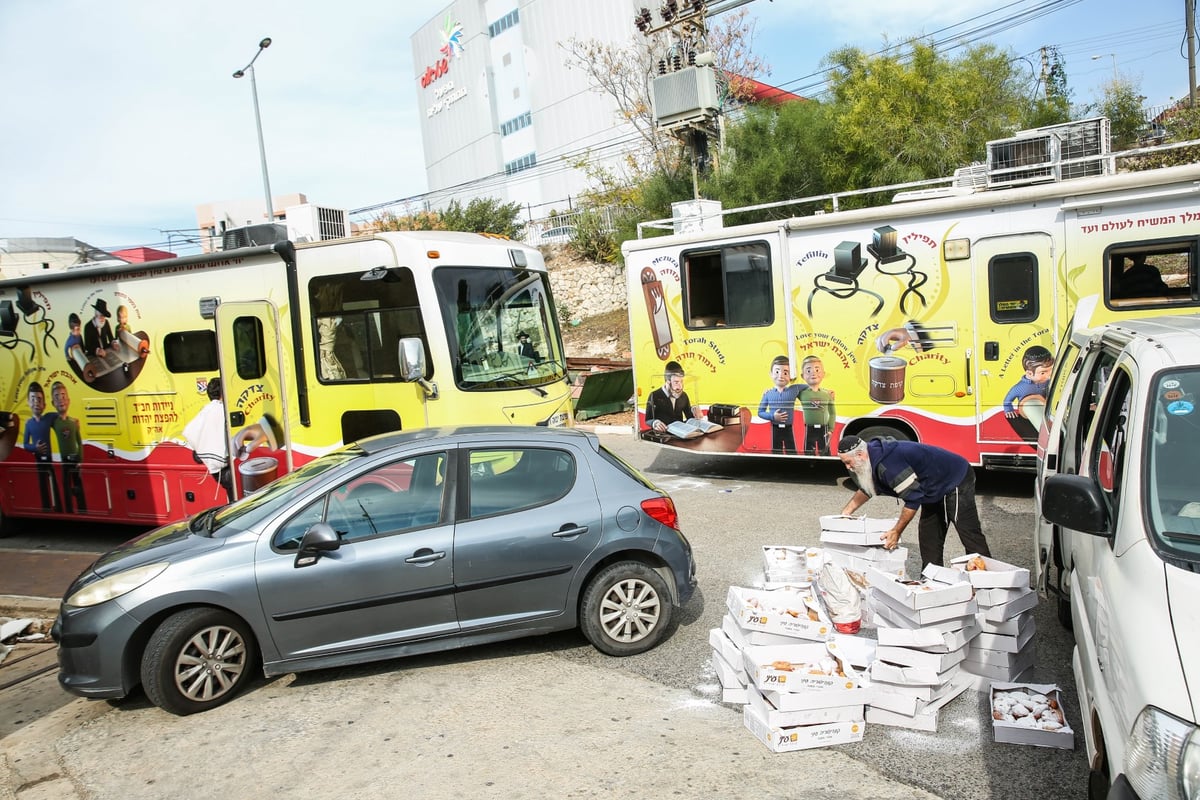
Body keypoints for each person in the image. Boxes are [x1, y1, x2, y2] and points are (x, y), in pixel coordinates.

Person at [836, 435, 991, 568]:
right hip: (930, 486)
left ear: (861, 455)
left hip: (954, 477)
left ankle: (987, 582)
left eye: (848, 462)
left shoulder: (888, 466)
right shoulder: (872, 457)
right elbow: (867, 489)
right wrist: (845, 513)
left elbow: (913, 499)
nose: (848, 468)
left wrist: (896, 532)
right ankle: (931, 580)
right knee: (928, 537)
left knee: (968, 531)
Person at [183, 377, 234, 502]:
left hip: (215, 470)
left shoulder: (205, 411)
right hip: (225, 468)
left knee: (232, 496)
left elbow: (188, 432)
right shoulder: (222, 409)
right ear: (223, 393)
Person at [22, 381, 62, 512]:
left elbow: (61, 415)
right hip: (39, 459)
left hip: (49, 458)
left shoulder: (48, 418)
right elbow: (26, 444)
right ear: (28, 402)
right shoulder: (29, 424)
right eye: (33, 399)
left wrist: (73, 421)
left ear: (44, 404)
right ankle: (46, 508)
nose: (36, 403)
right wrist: (35, 448)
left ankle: (59, 508)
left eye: (39, 399)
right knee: (42, 484)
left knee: (53, 482)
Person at [50, 381, 86, 512]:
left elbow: (79, 441)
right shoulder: (54, 423)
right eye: (57, 397)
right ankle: (68, 510)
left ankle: (83, 509)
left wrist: (80, 460)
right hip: (64, 460)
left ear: (69, 400)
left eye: (63, 396)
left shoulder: (73, 422)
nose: (61, 400)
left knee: (78, 485)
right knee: (66, 485)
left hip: (75, 459)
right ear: (53, 403)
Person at [757, 355, 804, 454]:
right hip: (775, 428)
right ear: (771, 374)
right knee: (776, 451)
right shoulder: (768, 394)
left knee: (792, 451)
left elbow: (812, 386)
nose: (781, 376)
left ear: (790, 375)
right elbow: (760, 412)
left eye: (785, 372)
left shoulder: (794, 389)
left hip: (789, 428)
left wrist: (827, 392)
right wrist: (772, 416)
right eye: (777, 372)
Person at [799, 355, 836, 455]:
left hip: (823, 428)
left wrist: (831, 429)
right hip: (809, 428)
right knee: (808, 452)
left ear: (823, 374)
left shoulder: (827, 394)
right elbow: (788, 391)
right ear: (802, 376)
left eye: (817, 369)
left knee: (825, 452)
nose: (813, 373)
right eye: (808, 370)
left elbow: (832, 413)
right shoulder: (802, 393)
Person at [644, 360, 694, 433]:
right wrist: (655, 423)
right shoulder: (654, 395)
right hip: (662, 434)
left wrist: (694, 412)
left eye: (681, 381)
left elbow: (690, 417)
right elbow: (648, 419)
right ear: (668, 381)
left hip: (681, 435)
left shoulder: (684, 395)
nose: (680, 387)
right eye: (676, 382)